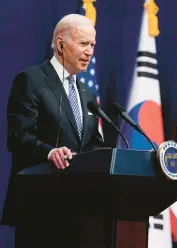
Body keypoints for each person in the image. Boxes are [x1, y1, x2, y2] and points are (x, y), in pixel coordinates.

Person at [2, 14, 104, 248]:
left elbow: (94, 146)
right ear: (60, 44)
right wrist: (50, 153)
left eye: (93, 45)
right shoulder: (31, 80)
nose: (90, 51)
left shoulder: (87, 95)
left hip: (79, 212)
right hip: (39, 208)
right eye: (83, 44)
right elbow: (17, 137)